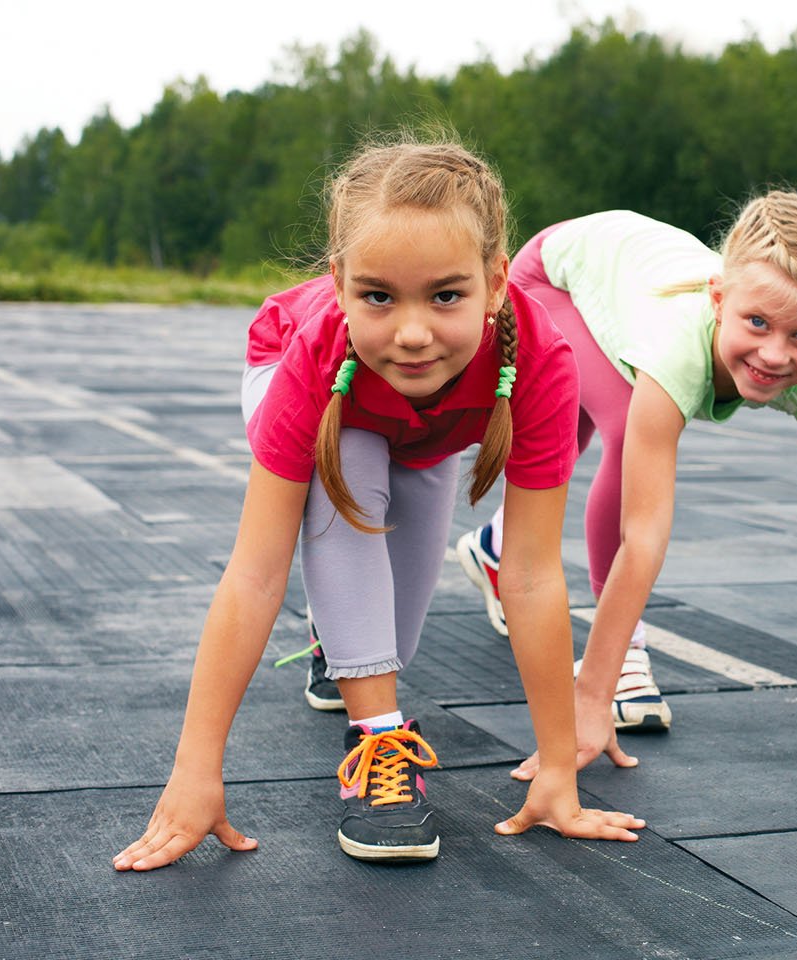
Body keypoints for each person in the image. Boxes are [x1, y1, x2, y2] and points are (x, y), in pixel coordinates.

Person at [112, 140, 643, 872]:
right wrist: (195, 769)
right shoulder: (320, 347)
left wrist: (559, 768)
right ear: (338, 284)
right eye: (379, 296)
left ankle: (338, 643)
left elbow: (527, 575)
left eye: (446, 295)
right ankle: (378, 744)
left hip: (424, 435)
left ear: (494, 284)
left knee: (388, 640)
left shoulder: (541, 363)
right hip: (322, 390)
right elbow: (256, 574)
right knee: (353, 470)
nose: (414, 332)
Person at [456, 194, 797, 781]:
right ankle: (625, 656)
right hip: (557, 276)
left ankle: (495, 546)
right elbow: (645, 534)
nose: (775, 355)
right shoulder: (674, 349)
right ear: (719, 298)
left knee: (576, 431)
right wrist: (594, 697)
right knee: (620, 427)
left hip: (621, 279)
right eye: (757, 323)